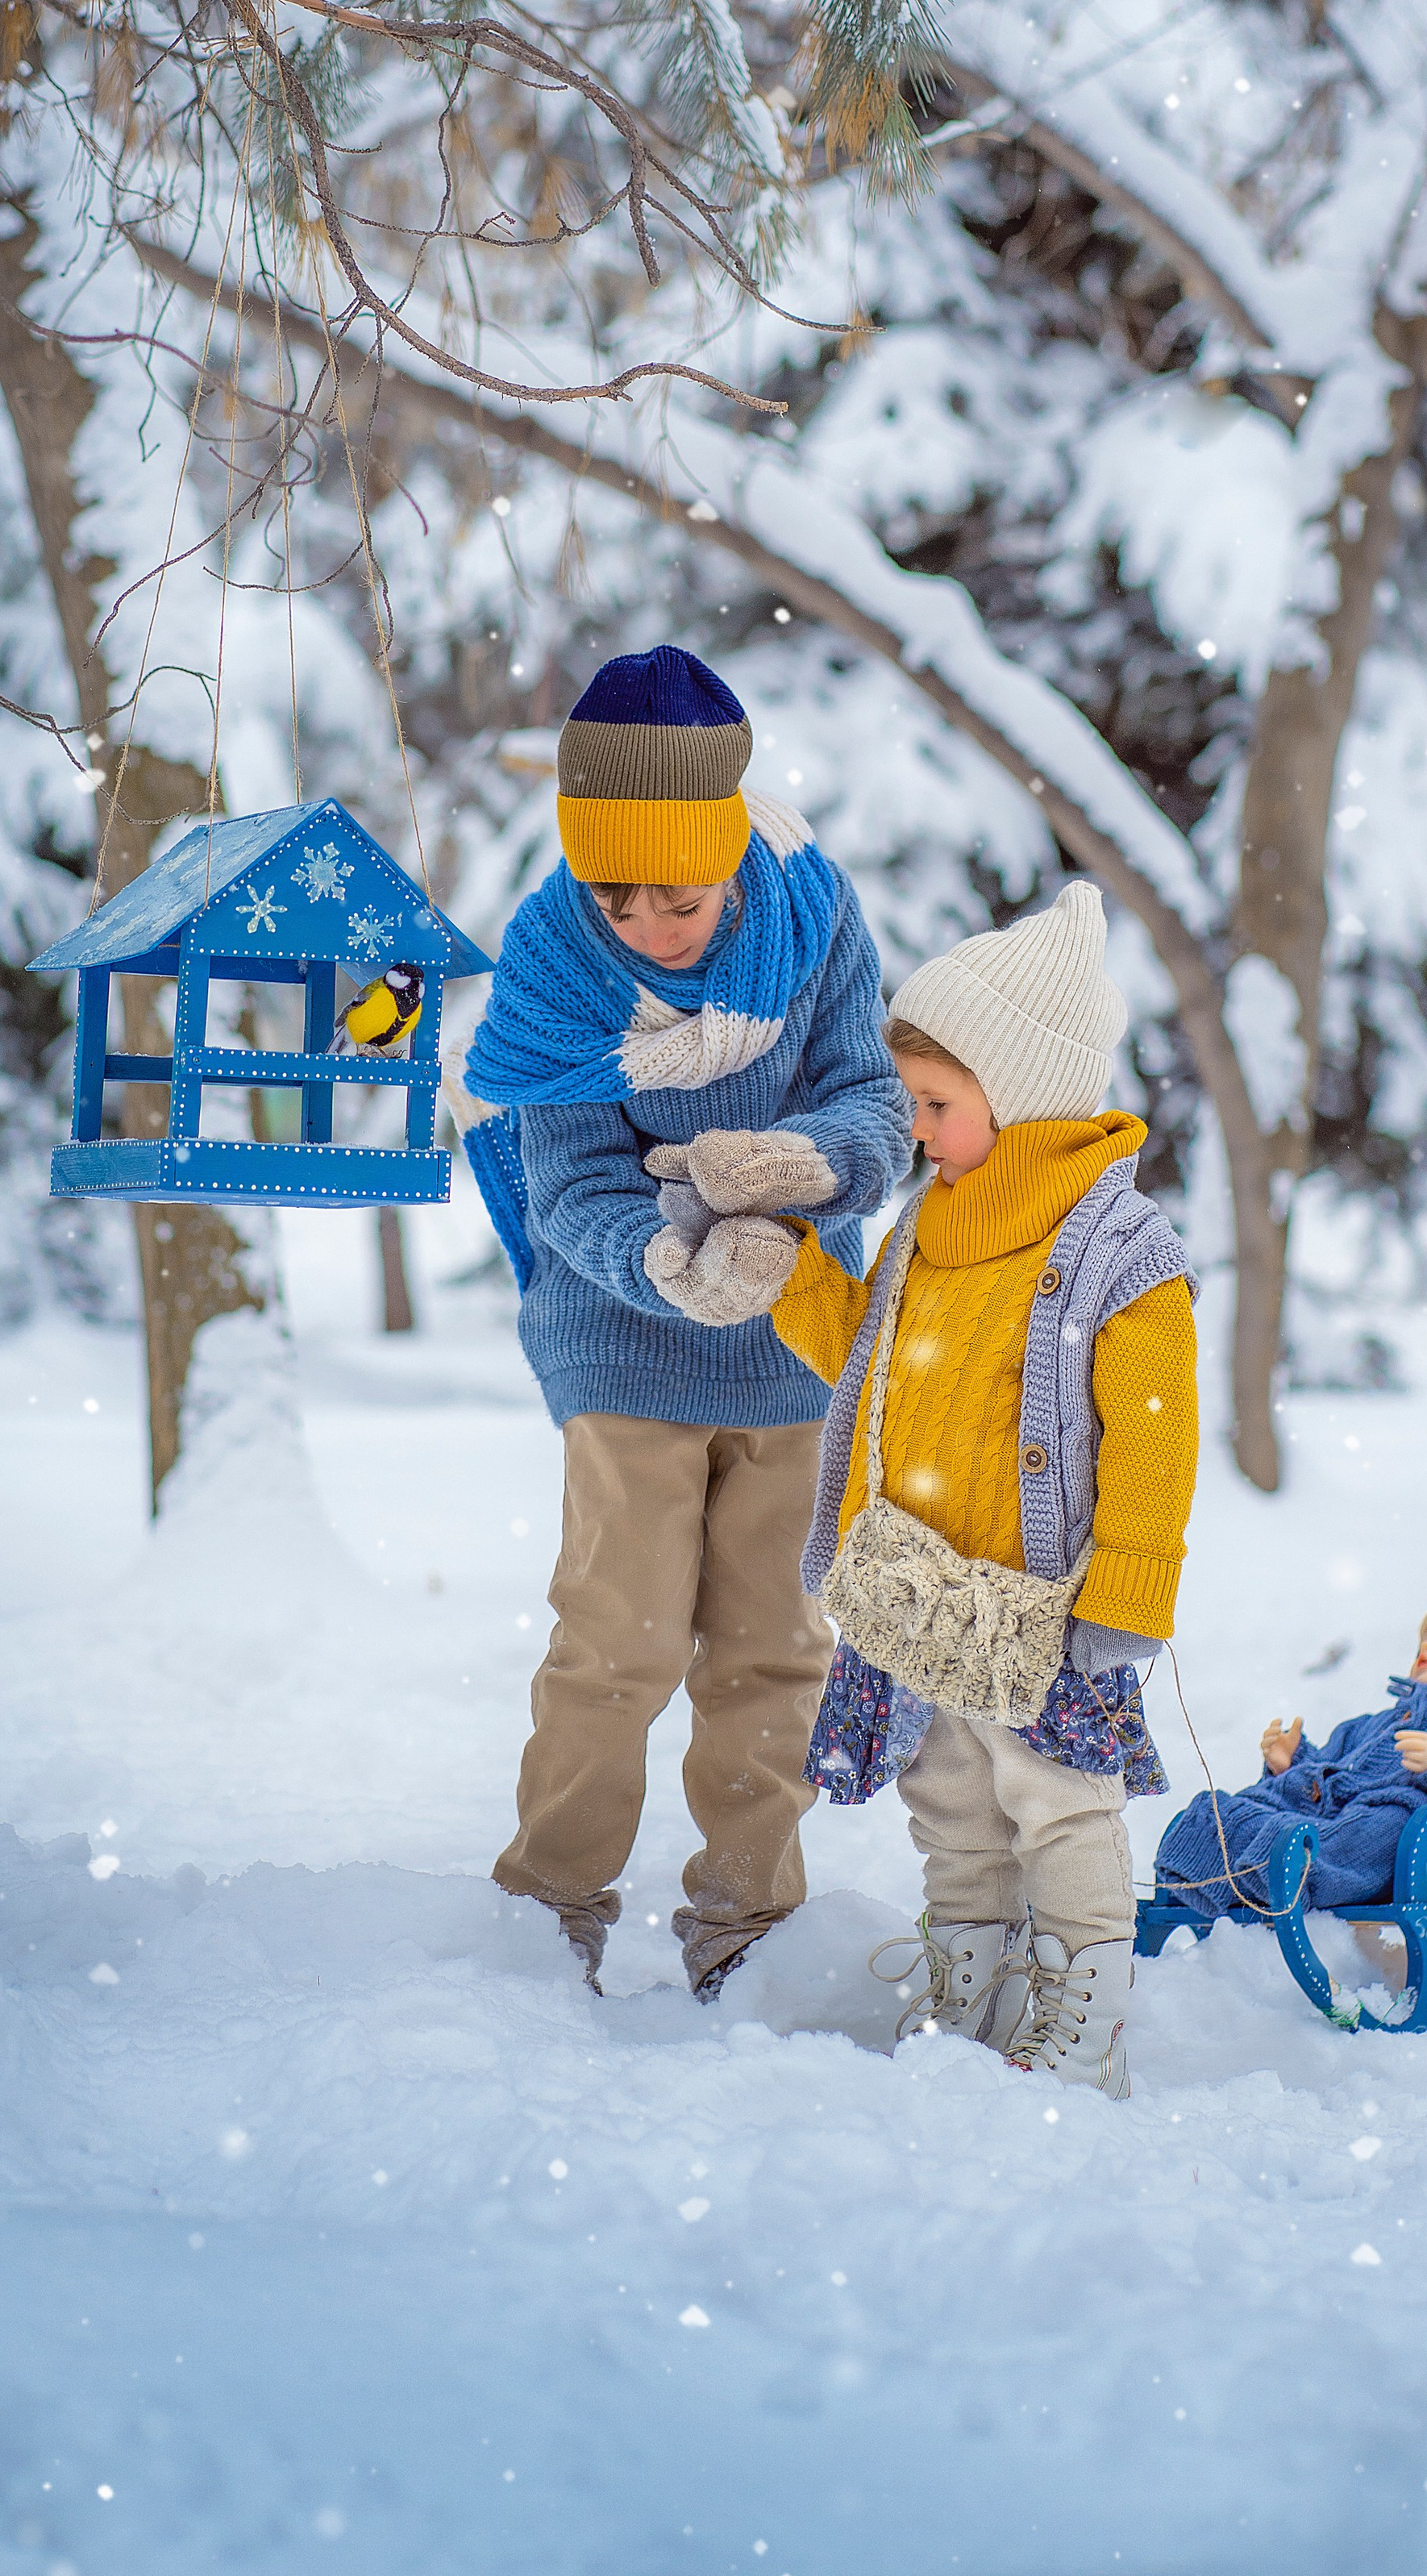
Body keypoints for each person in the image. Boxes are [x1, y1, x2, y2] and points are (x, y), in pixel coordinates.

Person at [447, 645, 913, 1998]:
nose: (649, 927)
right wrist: (666, 1260)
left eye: (681, 898)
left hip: (796, 1340)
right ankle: (547, 1913)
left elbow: (875, 1103)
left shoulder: (812, 920)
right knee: (623, 1641)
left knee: (774, 1648)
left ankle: (748, 1925)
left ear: (728, 856)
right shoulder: (551, 967)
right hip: (622, 1340)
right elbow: (571, 1185)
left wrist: (802, 1166)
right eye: (617, 897)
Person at [766, 882, 1198, 2098]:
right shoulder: (926, 1222)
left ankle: (1083, 2011)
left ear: (1023, 1097)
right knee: (950, 1801)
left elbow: (1157, 1442)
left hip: (1041, 1611)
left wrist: (1129, 1588)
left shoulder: (1120, 1254)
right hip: (920, 1599)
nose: (914, 1131)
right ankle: (968, 1985)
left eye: (936, 1106)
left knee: (1058, 1808)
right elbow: (871, 1360)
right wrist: (794, 1275)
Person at [1152, 1585, 1427, 1921]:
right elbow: (1337, 1764)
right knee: (1249, 1806)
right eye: (1425, 1635)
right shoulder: (1384, 1721)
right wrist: (1294, 1762)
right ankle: (1230, 1852)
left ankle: (1292, 1868)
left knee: (1384, 1825)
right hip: (1334, 1819)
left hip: (1405, 1847)